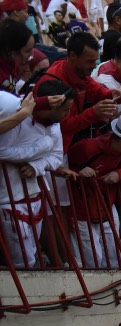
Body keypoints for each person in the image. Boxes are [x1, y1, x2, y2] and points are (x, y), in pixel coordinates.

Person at [67, 113, 121, 269]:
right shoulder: (87, 148)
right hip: (82, 210)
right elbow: (64, 167)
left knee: (113, 256)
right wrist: (79, 172)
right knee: (92, 260)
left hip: (107, 207)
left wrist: (119, 174)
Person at [0, 79, 69, 268]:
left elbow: (56, 157)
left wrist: (36, 166)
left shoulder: (54, 125)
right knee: (23, 260)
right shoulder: (17, 121)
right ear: (50, 107)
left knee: (31, 253)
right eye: (64, 110)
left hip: (37, 196)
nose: (67, 115)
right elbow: (2, 151)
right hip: (9, 199)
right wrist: (43, 147)